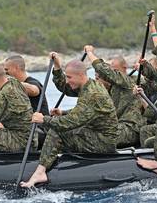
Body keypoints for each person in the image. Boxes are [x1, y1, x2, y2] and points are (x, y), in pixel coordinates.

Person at [20, 54, 118, 188]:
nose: (67, 80)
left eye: (69, 77)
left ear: (81, 75)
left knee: (56, 130)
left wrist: (43, 119)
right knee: (55, 123)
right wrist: (57, 67)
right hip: (92, 132)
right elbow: (66, 89)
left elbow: (68, 123)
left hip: (103, 141)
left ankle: (40, 172)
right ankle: (46, 155)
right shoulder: (88, 85)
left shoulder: (93, 94)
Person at [85, 45, 145, 147]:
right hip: (117, 127)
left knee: (97, 137)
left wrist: (90, 53)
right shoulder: (110, 89)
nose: (110, 77)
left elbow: (105, 71)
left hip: (130, 129)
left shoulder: (129, 82)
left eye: (115, 70)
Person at [0, 47, 49, 115]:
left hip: (39, 124)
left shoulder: (33, 82)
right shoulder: (10, 84)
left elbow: (34, 90)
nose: (5, 73)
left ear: (16, 68)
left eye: (7, 70)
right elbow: (0, 72)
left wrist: (9, 81)